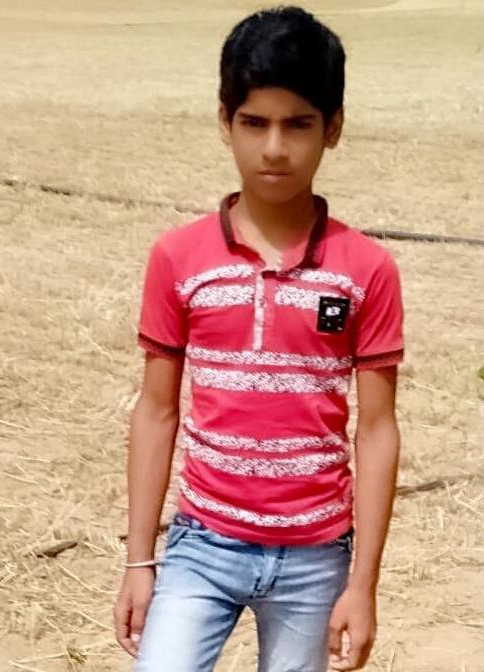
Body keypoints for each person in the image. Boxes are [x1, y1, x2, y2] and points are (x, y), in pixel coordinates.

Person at [113, 6, 404, 672]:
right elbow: (156, 410)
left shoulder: (366, 269)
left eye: (297, 124)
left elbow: (376, 429)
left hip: (315, 557)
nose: (274, 148)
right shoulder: (178, 258)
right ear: (225, 122)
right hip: (201, 545)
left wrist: (363, 586)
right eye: (254, 122)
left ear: (332, 128)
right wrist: (138, 560)